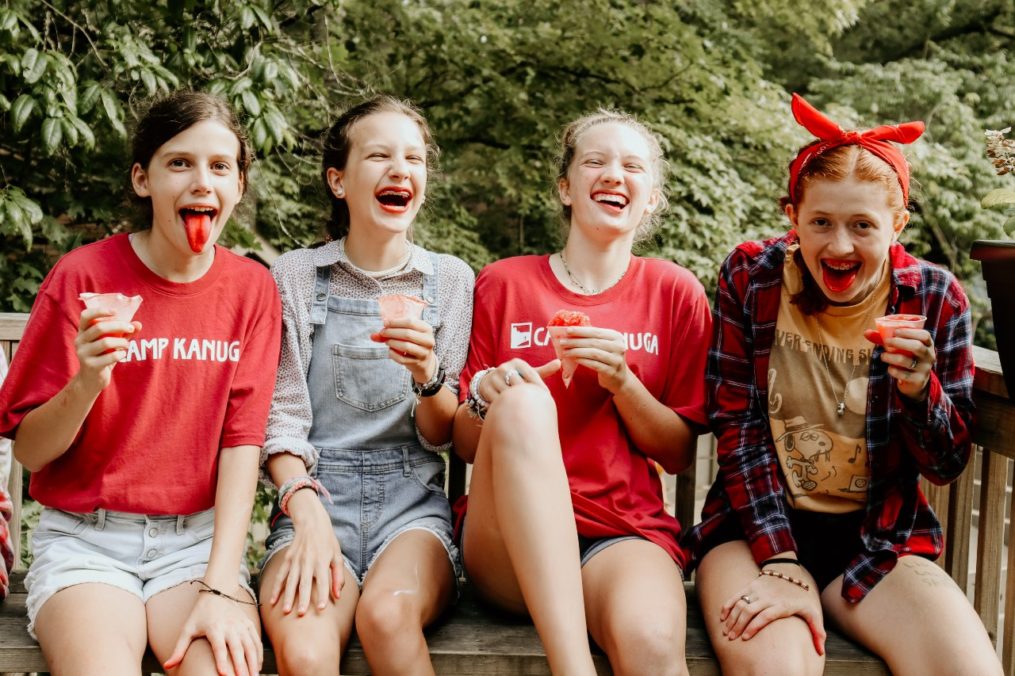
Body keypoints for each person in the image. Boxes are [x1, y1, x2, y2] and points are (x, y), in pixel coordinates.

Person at [683, 94, 1002, 675]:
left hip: (878, 538)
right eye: (820, 223)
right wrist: (781, 558)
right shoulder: (752, 276)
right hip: (756, 530)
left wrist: (918, 392)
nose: (839, 246)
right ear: (793, 217)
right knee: (775, 668)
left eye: (862, 225)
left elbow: (947, 463)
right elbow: (736, 422)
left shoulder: (935, 297)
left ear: (897, 223)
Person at [0, 91, 281, 676]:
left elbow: (242, 445)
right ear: (142, 179)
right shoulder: (82, 277)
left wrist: (222, 583)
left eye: (220, 166)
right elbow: (28, 450)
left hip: (197, 547)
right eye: (179, 162)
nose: (202, 181)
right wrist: (87, 381)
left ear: (238, 187)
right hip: (86, 544)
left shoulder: (252, 289)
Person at [453, 110, 711, 676]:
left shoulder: (675, 293)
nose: (613, 174)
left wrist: (623, 381)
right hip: (505, 547)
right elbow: (467, 447)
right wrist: (484, 399)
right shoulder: (502, 283)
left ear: (651, 198)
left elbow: (677, 453)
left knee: (650, 640)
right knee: (521, 399)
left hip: (622, 534)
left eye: (632, 167)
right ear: (566, 188)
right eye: (594, 161)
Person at [259, 96, 474, 676]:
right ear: (339, 180)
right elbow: (279, 419)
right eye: (378, 155)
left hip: (412, 512)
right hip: (312, 500)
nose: (400, 169)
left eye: (414, 158)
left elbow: (443, 437)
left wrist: (427, 377)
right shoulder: (297, 276)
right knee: (304, 653)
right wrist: (306, 520)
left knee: (387, 615)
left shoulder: (450, 280)